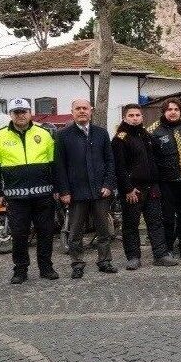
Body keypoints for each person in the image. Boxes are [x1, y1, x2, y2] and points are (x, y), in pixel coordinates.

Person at [0, 98, 59, 284]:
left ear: (30, 113)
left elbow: (54, 165)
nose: (20, 115)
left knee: (45, 232)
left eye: (23, 111)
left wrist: (57, 188)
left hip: (43, 194)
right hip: (16, 197)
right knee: (19, 234)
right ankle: (20, 270)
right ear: (10, 115)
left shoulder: (44, 133)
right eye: (16, 112)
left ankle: (46, 267)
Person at [54, 99, 117, 278]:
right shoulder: (63, 135)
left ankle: (104, 261)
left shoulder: (101, 133)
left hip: (100, 191)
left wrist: (108, 184)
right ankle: (77, 264)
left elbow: (110, 161)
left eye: (85, 108)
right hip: (75, 193)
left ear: (91, 111)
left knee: (104, 230)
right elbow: (59, 166)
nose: (82, 111)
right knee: (75, 232)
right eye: (78, 108)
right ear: (72, 111)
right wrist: (64, 191)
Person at [113, 104, 177, 270]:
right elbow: (119, 167)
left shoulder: (146, 135)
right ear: (125, 117)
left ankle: (160, 254)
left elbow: (154, 162)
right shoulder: (120, 139)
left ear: (142, 117)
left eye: (138, 115)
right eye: (131, 115)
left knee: (156, 223)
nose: (135, 118)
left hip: (152, 187)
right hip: (133, 189)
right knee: (131, 225)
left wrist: (156, 184)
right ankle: (133, 257)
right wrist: (127, 189)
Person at [150, 98, 181, 261]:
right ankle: (168, 248)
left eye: (176, 109)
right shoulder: (154, 130)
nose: (173, 112)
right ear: (164, 112)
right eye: (169, 109)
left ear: (180, 111)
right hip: (166, 182)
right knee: (168, 217)